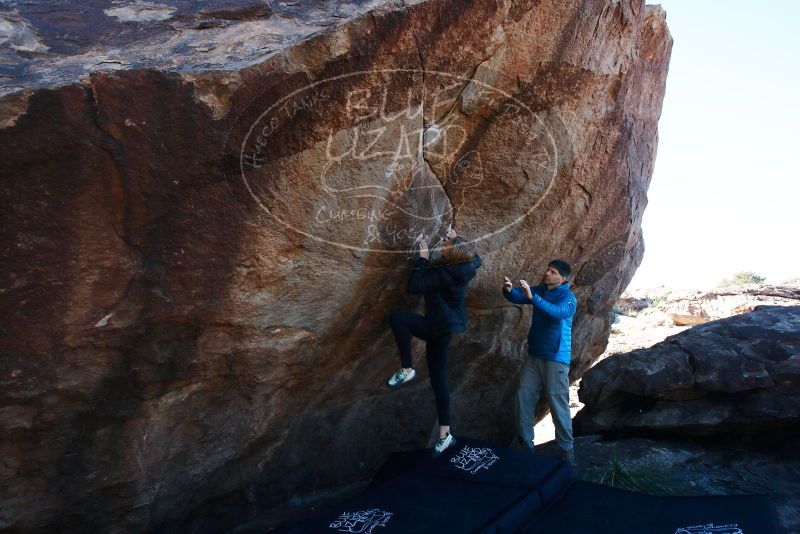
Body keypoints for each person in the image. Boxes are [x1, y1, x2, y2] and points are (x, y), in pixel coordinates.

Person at [386, 227, 482, 456]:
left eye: (447, 246)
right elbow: (476, 256)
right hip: (445, 328)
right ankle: (445, 434)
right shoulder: (469, 266)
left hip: (435, 326)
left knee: (398, 318)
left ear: (452, 255)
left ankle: (408, 368)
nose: (444, 245)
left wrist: (423, 259)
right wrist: (455, 239)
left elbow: (414, 287)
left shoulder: (444, 273)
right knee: (439, 381)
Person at [502, 260, 577, 463]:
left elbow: (557, 313)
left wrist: (533, 298)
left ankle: (566, 447)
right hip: (535, 355)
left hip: (556, 358)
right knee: (523, 397)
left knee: (557, 402)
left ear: (563, 278)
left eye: (553, 272)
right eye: (548, 269)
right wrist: (509, 291)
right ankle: (526, 444)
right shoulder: (542, 290)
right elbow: (521, 295)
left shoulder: (568, 297)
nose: (547, 273)